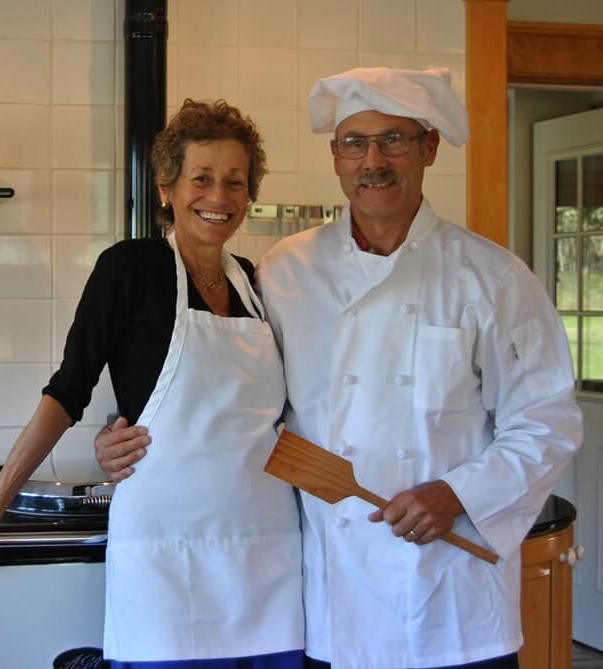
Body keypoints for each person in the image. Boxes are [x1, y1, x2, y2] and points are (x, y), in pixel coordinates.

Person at [95, 68, 582, 669]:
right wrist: (122, 431)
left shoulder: (493, 278)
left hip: (450, 604)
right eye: (355, 143)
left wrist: (458, 494)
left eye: (393, 140)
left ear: (428, 148)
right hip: (331, 607)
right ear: (335, 157)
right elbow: (228, 387)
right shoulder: (285, 270)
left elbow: (548, 422)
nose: (372, 160)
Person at [0, 99, 305, 668]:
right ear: (167, 188)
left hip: (267, 553)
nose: (219, 197)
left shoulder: (254, 283)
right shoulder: (129, 269)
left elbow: (276, 416)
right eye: (201, 178)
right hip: (166, 554)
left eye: (235, 181)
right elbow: (67, 390)